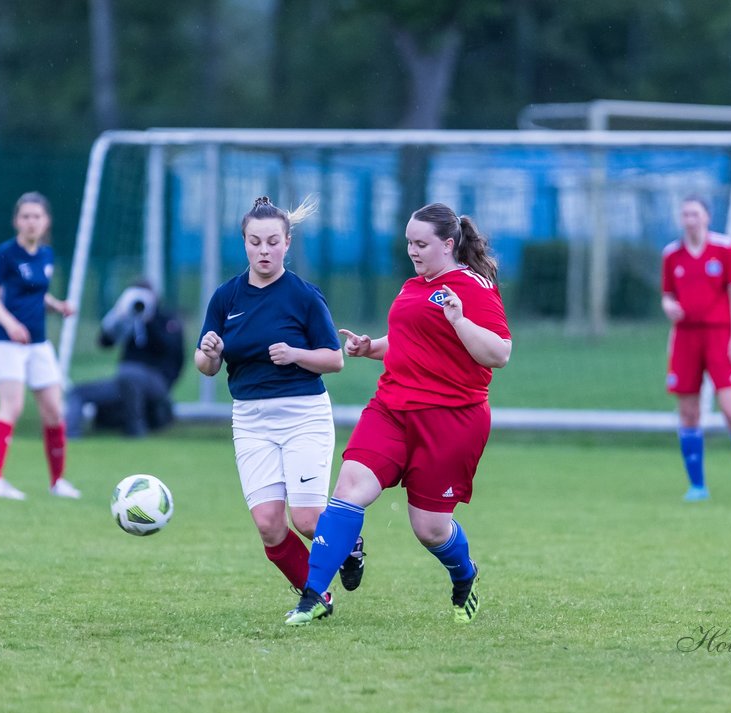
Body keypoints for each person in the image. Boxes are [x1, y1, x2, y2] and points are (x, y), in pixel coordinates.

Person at [284, 202, 512, 626]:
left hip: (452, 420)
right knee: (350, 487)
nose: (413, 250)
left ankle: (465, 575)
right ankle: (313, 595)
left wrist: (460, 321)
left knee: (429, 529)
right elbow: (414, 338)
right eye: (408, 242)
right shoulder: (415, 285)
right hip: (391, 409)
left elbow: (499, 353)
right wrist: (372, 348)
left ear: (448, 245)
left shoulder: (472, 286)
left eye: (421, 243)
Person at [195, 196, 365, 616]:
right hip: (251, 420)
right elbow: (205, 366)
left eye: (273, 241)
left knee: (307, 520)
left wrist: (295, 354)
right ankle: (318, 596)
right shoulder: (226, 297)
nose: (264, 250)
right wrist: (209, 350)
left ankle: (349, 545)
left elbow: (334, 359)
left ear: (287, 243)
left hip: (302, 414)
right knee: (270, 526)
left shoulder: (304, 297)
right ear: (245, 244)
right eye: (255, 242)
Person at [660, 195, 731, 503]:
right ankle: (697, 486)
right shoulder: (672, 255)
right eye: (685, 214)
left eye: (695, 213)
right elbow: (667, 294)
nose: (690, 219)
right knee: (688, 412)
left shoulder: (724, 249)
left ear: (707, 217)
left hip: (720, 337)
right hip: (685, 338)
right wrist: (669, 306)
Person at [0, 192, 80, 501]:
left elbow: (36, 295)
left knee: (54, 410)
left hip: (39, 344)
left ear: (46, 221)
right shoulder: (6, 254)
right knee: (12, 407)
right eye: (25, 216)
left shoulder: (46, 255)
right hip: (8, 345)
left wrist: (56, 305)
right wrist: (9, 323)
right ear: (16, 221)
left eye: (37, 216)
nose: (31, 222)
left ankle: (57, 481)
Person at [65, 280, 186, 438]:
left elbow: (170, 348)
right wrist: (119, 316)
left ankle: (136, 429)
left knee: (131, 374)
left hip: (156, 381)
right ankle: (69, 435)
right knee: (77, 392)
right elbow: (105, 342)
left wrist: (149, 322)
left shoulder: (166, 320)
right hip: (124, 380)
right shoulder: (129, 320)